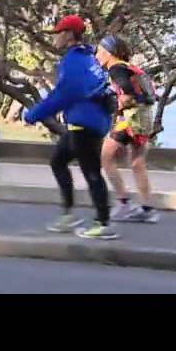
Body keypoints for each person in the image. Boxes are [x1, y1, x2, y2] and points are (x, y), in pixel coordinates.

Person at [24, 15, 118, 240]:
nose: (55, 37)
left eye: (58, 32)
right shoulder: (88, 57)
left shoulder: (74, 61)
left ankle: (103, 223)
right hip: (88, 122)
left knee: (92, 172)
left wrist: (33, 115)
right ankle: (68, 215)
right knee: (58, 161)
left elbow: (63, 95)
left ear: (68, 35)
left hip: (86, 124)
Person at [95, 34, 159, 223]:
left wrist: (114, 105)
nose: (97, 56)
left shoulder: (116, 68)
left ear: (109, 53)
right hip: (145, 119)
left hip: (130, 119)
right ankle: (147, 209)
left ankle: (124, 203)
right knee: (137, 163)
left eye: (99, 51)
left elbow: (127, 96)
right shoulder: (129, 67)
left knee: (105, 156)